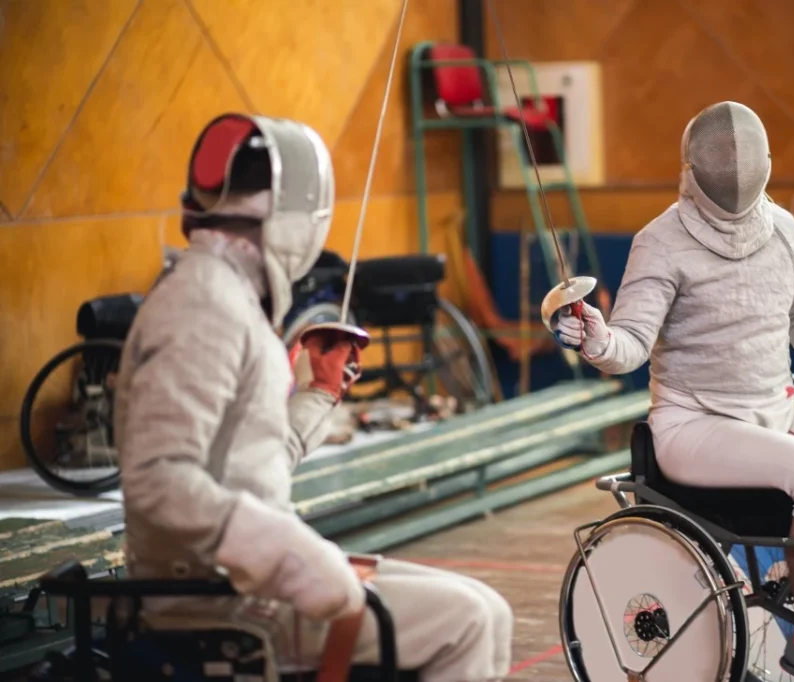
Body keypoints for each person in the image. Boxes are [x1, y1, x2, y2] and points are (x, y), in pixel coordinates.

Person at [115, 113, 512, 681]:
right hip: (213, 600)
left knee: (489, 609)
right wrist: (292, 556)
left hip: (241, 579)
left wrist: (318, 395)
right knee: (468, 620)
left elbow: (245, 464)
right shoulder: (202, 306)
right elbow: (159, 479)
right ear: (289, 220)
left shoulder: (224, 298)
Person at [552, 102, 794, 682]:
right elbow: (631, 345)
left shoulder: (784, 228)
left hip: (775, 411)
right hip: (693, 426)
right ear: (692, 173)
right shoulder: (661, 241)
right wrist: (597, 337)